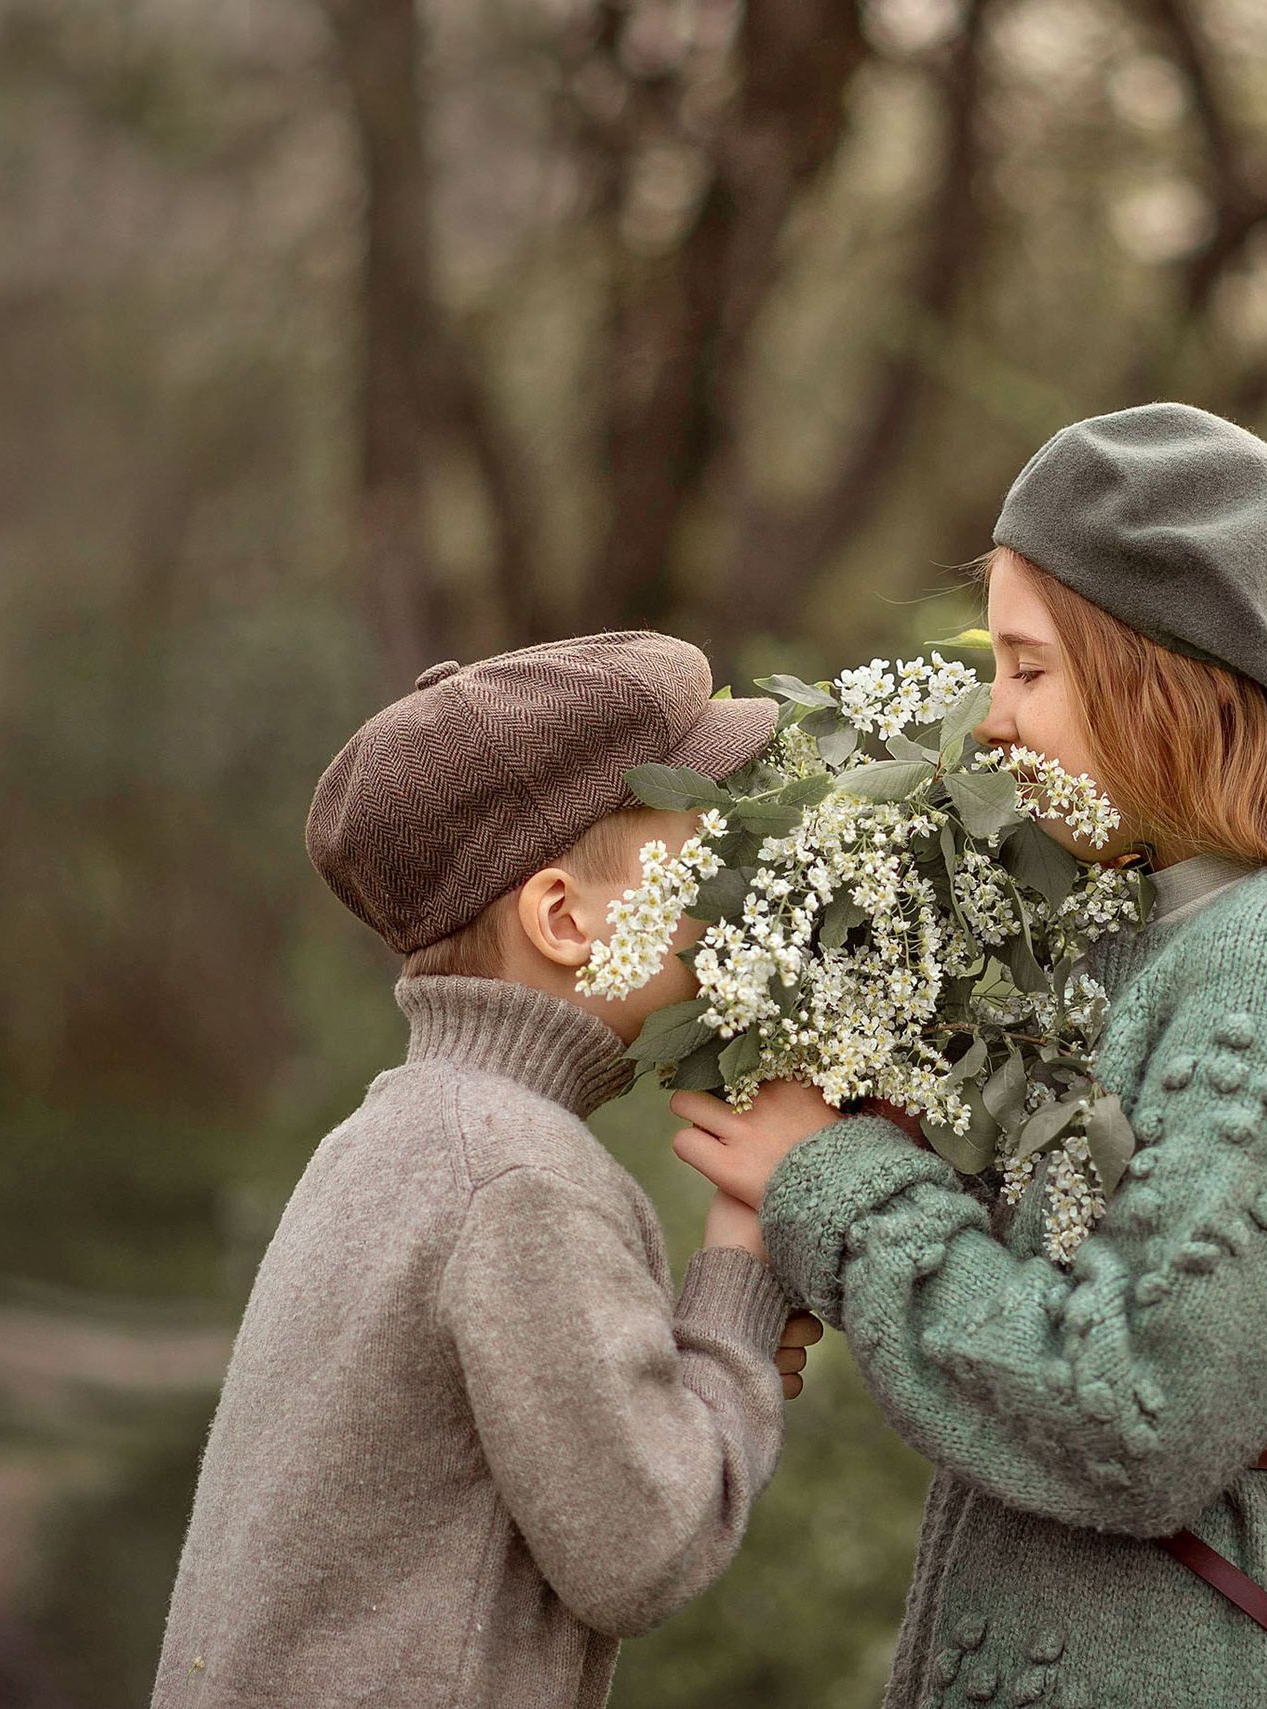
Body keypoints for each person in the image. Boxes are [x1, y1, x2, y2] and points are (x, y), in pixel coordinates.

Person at [672, 405, 1267, 1709]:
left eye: (1029, 671)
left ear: (1162, 678)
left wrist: (838, 1186)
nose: (992, 722)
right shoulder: (1148, 939)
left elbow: (1133, 1409)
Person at [154, 632, 817, 1709]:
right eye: (700, 856)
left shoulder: (390, 1138)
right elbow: (642, 1545)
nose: (732, 895)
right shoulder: (521, 1178)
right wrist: (740, 1261)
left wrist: (702, 1374)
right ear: (564, 919)